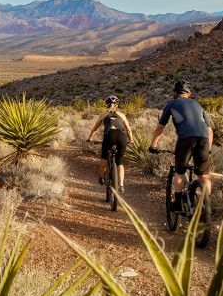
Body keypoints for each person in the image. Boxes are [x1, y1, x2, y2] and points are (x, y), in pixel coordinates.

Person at [148, 80, 214, 211]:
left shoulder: (172, 104)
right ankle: (206, 206)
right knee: (204, 175)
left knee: (179, 172)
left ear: (175, 93)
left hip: (186, 139)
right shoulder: (198, 105)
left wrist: (153, 145)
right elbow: (210, 130)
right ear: (189, 93)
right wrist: (209, 149)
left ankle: (178, 203)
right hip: (204, 139)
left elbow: (160, 127)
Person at [87, 95, 132, 193]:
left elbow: (95, 128)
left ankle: (101, 177)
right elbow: (128, 129)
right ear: (117, 105)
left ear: (107, 105)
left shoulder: (103, 114)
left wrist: (90, 138)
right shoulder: (122, 115)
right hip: (122, 136)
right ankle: (121, 185)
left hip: (109, 136)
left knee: (104, 157)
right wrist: (131, 140)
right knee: (120, 162)